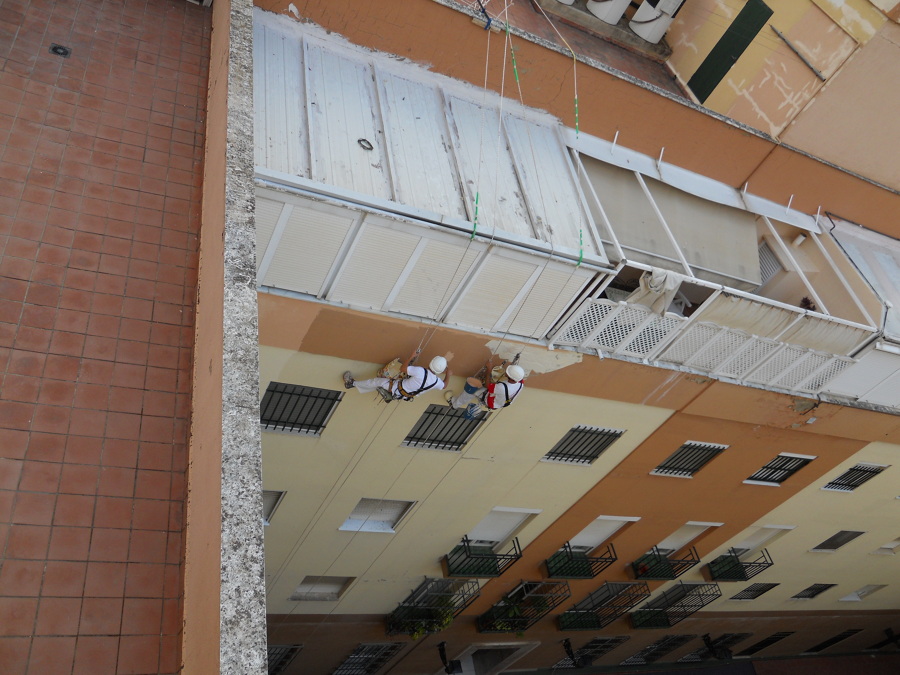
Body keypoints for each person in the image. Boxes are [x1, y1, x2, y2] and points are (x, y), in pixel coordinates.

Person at [343, 350, 450, 402]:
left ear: (431, 362)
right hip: (406, 395)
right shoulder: (436, 382)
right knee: (380, 383)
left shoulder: (420, 371)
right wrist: (448, 375)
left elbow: (402, 369)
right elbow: (444, 385)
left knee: (376, 381)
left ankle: (351, 383)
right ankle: (387, 393)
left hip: (397, 388)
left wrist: (411, 356)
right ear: (440, 371)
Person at [446, 361, 525, 413]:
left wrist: (489, 369)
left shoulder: (502, 388)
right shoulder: (520, 382)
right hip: (500, 401)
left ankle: (454, 404)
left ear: (510, 377)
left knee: (472, 389)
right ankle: (455, 403)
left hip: (491, 401)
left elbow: (487, 385)